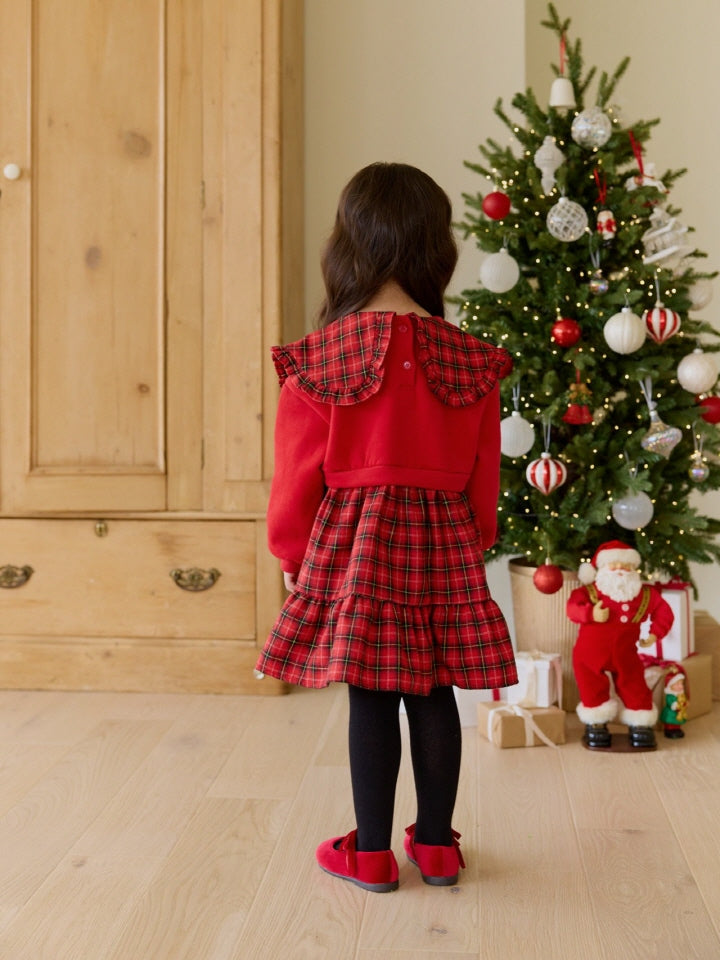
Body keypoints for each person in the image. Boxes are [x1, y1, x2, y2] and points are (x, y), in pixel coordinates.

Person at [255, 162, 516, 892]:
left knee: (369, 690)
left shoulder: (323, 357)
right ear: (439, 248)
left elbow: (297, 471)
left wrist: (292, 553)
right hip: (445, 543)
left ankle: (369, 852)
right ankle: (435, 847)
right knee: (434, 689)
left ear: (349, 245)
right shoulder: (471, 360)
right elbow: (482, 471)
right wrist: (476, 542)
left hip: (352, 543)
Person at [567, 540, 674, 750]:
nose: (620, 570)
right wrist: (590, 613)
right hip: (590, 655)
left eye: (626, 565)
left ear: (634, 569)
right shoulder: (589, 592)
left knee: (634, 685)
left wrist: (654, 634)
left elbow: (664, 611)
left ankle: (640, 724)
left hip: (626, 654)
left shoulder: (644, 594)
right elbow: (572, 607)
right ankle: (596, 724)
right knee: (591, 687)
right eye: (613, 564)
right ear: (601, 568)